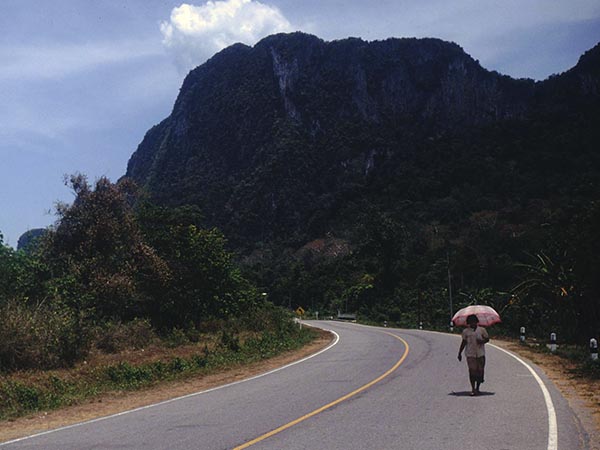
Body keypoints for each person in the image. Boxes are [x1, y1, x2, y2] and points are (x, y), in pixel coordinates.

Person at [457, 314, 489, 396]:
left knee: (480, 371)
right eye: (471, 322)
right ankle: (473, 389)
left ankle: (478, 388)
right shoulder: (466, 332)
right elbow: (464, 342)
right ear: (468, 323)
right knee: (472, 371)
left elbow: (487, 339)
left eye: (474, 322)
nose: (473, 323)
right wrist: (459, 352)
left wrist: (482, 341)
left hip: (480, 353)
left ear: (477, 322)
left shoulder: (482, 330)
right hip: (470, 354)